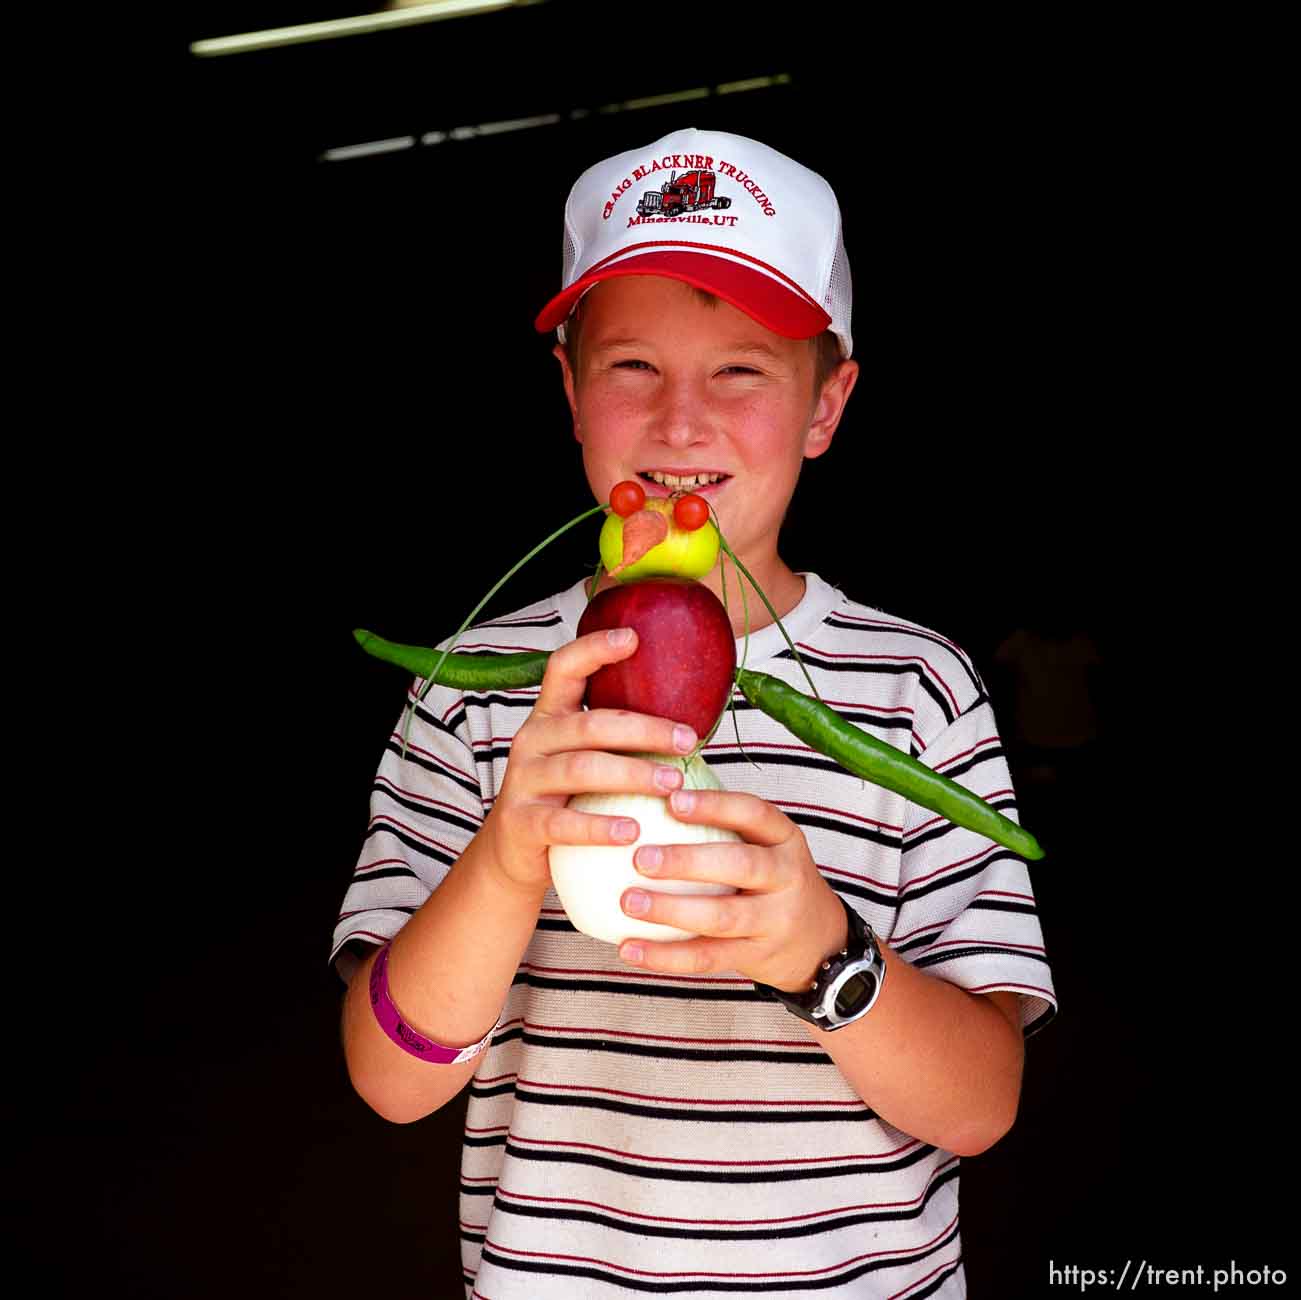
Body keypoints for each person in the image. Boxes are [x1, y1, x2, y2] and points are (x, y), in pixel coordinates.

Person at [332, 127, 1057, 1298]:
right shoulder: (476, 686)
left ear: (827, 404)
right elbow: (391, 1079)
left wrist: (825, 957)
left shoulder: (915, 688)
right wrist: (510, 855)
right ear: (568, 390)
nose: (680, 423)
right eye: (630, 367)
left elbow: (981, 1106)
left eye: (740, 370)